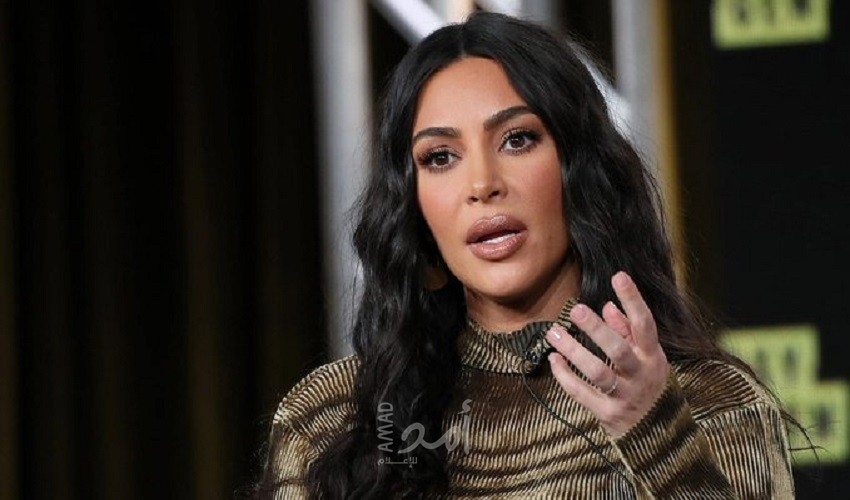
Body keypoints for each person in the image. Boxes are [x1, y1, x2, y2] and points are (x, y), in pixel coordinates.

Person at [255, 12, 795, 499]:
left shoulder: (708, 400)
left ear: (580, 170)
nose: (482, 184)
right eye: (440, 157)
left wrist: (658, 438)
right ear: (412, 204)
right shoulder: (331, 421)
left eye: (516, 139)